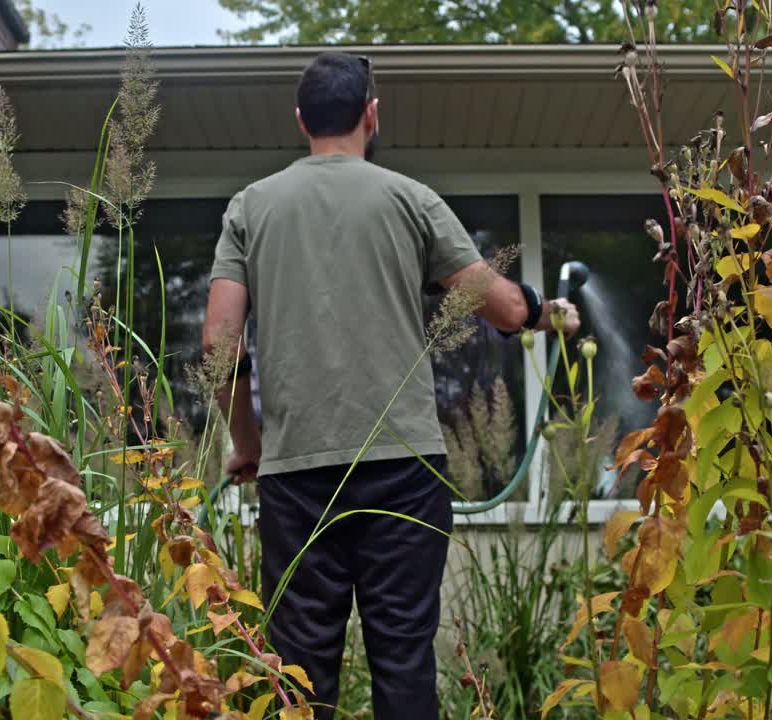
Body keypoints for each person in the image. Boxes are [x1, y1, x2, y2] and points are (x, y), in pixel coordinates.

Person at [201, 52, 580, 719]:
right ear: (371, 114)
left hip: (297, 475)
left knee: (298, 673)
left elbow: (219, 344)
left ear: (301, 121)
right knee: (403, 661)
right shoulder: (410, 199)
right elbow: (504, 310)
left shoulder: (250, 207)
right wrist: (547, 314)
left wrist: (249, 442)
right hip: (404, 469)